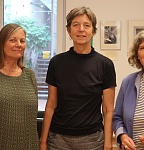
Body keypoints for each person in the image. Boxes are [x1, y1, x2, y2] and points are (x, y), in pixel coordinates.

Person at [39, 6, 116, 150]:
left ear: (93, 31)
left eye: (86, 25)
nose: (81, 29)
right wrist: (43, 142)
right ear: (69, 30)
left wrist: (108, 142)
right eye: (76, 25)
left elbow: (108, 109)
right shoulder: (56, 63)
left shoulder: (105, 64)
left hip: (92, 140)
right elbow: (50, 104)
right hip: (58, 139)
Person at [0, 23, 39, 149]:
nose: (19, 44)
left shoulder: (29, 75)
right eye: (12, 40)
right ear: (2, 43)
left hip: (28, 145)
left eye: (22, 41)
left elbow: (31, 119)